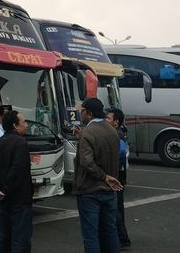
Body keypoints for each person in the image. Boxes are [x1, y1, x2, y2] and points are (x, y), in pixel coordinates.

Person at [73, 97, 123, 253]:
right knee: (110, 231)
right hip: (110, 189)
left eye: (82, 111)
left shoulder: (88, 132)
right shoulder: (112, 130)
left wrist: (103, 176)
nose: (80, 113)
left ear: (88, 113)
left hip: (90, 190)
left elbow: (87, 163)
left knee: (91, 235)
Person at [0, 110, 32, 253]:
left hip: (2, 198)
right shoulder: (21, 143)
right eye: (24, 122)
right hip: (19, 199)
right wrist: (5, 189)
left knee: (1, 235)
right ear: (14, 125)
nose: (26, 125)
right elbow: (17, 170)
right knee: (20, 238)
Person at [106, 108, 130, 249]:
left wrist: (113, 166)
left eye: (108, 118)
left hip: (117, 176)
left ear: (116, 122)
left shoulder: (117, 134)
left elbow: (121, 153)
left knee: (116, 209)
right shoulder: (117, 132)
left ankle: (122, 238)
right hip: (118, 175)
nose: (105, 120)